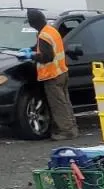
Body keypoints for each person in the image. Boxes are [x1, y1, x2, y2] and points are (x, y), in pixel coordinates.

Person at [27, 8, 77, 140]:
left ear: (33, 23)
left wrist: (31, 56)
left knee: (58, 105)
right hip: (61, 72)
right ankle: (71, 128)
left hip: (52, 75)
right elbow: (46, 48)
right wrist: (32, 49)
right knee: (65, 103)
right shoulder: (51, 30)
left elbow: (47, 56)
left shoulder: (43, 35)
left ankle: (66, 132)